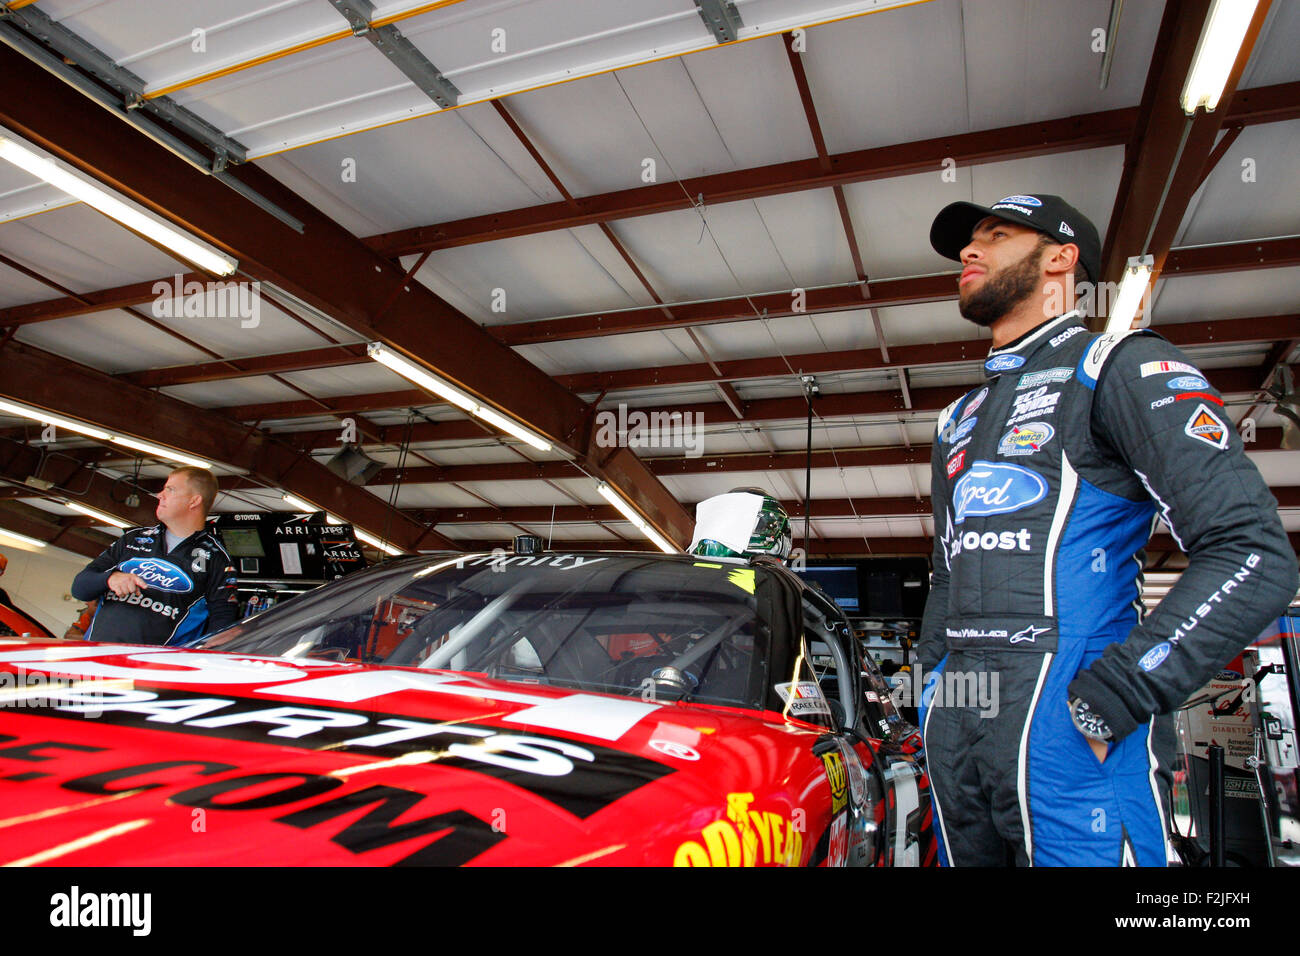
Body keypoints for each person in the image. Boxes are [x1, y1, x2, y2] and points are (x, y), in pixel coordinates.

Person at [917, 192, 1298, 866]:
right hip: (957, 731)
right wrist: (931, 689)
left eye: (996, 236)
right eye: (965, 244)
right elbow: (948, 570)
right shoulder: (958, 417)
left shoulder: (1117, 368)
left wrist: (1116, 696)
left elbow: (1254, 556)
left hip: (1070, 729)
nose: (969, 253)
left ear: (1062, 259)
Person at [71, 467, 239, 645]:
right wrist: (110, 579)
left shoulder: (217, 559)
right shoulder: (132, 539)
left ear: (194, 501)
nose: (160, 495)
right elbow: (79, 588)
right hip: (97, 656)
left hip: (156, 668)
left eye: (170, 489)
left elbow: (223, 626)